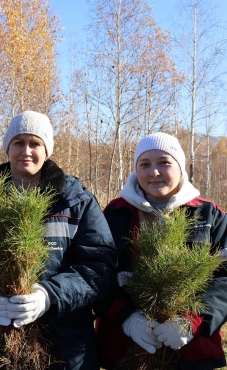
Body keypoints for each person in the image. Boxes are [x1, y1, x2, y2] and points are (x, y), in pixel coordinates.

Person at [0, 110, 117, 370]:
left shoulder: (76, 202)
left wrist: (49, 295)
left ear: (47, 150)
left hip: (66, 351)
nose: (26, 151)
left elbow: (99, 267)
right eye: (18, 142)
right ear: (7, 147)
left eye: (35, 143)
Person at [95, 132, 227, 369]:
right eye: (145, 164)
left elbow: (224, 278)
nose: (154, 172)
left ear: (180, 166)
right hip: (126, 350)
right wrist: (126, 318)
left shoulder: (209, 214)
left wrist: (192, 321)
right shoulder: (114, 213)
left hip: (193, 352)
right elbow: (96, 273)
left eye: (164, 162)